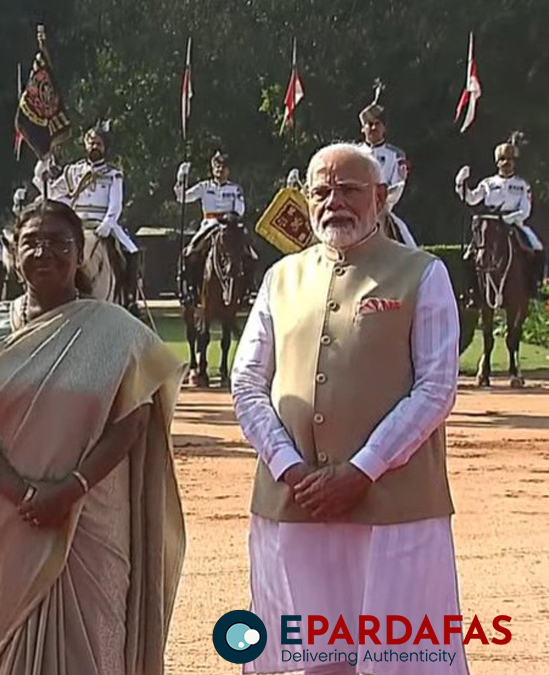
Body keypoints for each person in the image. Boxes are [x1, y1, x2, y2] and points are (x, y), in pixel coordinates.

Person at [231, 143, 466, 675]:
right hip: (294, 504)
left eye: (349, 190)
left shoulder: (423, 274)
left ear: (380, 198)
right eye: (321, 191)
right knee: (302, 659)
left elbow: (436, 388)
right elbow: (246, 382)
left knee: (398, 656)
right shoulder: (280, 278)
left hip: (394, 509)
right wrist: (289, 467)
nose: (333, 201)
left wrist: (362, 471)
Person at [0, 198, 186, 675]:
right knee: (16, 638)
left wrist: (70, 489)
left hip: (93, 515)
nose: (44, 253)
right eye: (31, 242)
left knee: (97, 644)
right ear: (14, 254)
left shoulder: (116, 330)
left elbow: (133, 422)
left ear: (80, 254)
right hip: (12, 515)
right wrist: (25, 494)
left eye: (59, 243)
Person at [34, 121, 139, 303]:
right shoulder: (73, 171)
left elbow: (115, 205)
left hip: (103, 225)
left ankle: (130, 297)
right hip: (77, 225)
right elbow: (52, 193)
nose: (94, 147)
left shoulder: (113, 174)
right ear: (85, 145)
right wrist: (42, 173)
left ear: (105, 147)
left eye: (98, 143)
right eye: (91, 143)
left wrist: (107, 224)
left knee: (131, 251)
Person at [456, 134, 544, 299]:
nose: (506, 163)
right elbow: (472, 199)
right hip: (489, 222)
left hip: (514, 222)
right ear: (497, 163)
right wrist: (461, 183)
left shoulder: (521, 185)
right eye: (503, 160)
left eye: (509, 160)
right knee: (469, 256)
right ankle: (471, 292)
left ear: (514, 163)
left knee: (537, 247)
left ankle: (534, 286)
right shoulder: (488, 183)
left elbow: (526, 209)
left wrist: (511, 218)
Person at [175, 150, 252, 306]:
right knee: (190, 253)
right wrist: (181, 178)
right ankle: (189, 289)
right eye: (216, 166)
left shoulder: (235, 189)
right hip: (209, 225)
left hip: (229, 225)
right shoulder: (204, 186)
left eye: (223, 167)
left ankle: (247, 290)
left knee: (250, 255)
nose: (219, 170)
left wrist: (230, 218)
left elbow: (240, 208)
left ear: (228, 170)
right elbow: (182, 197)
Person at [358, 101, 417, 247]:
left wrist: (381, 203)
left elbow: (398, 185)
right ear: (362, 128)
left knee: (408, 245)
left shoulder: (396, 155)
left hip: (383, 211)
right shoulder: (353, 153)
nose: (373, 128)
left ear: (384, 128)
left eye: (377, 123)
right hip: (357, 212)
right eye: (369, 124)